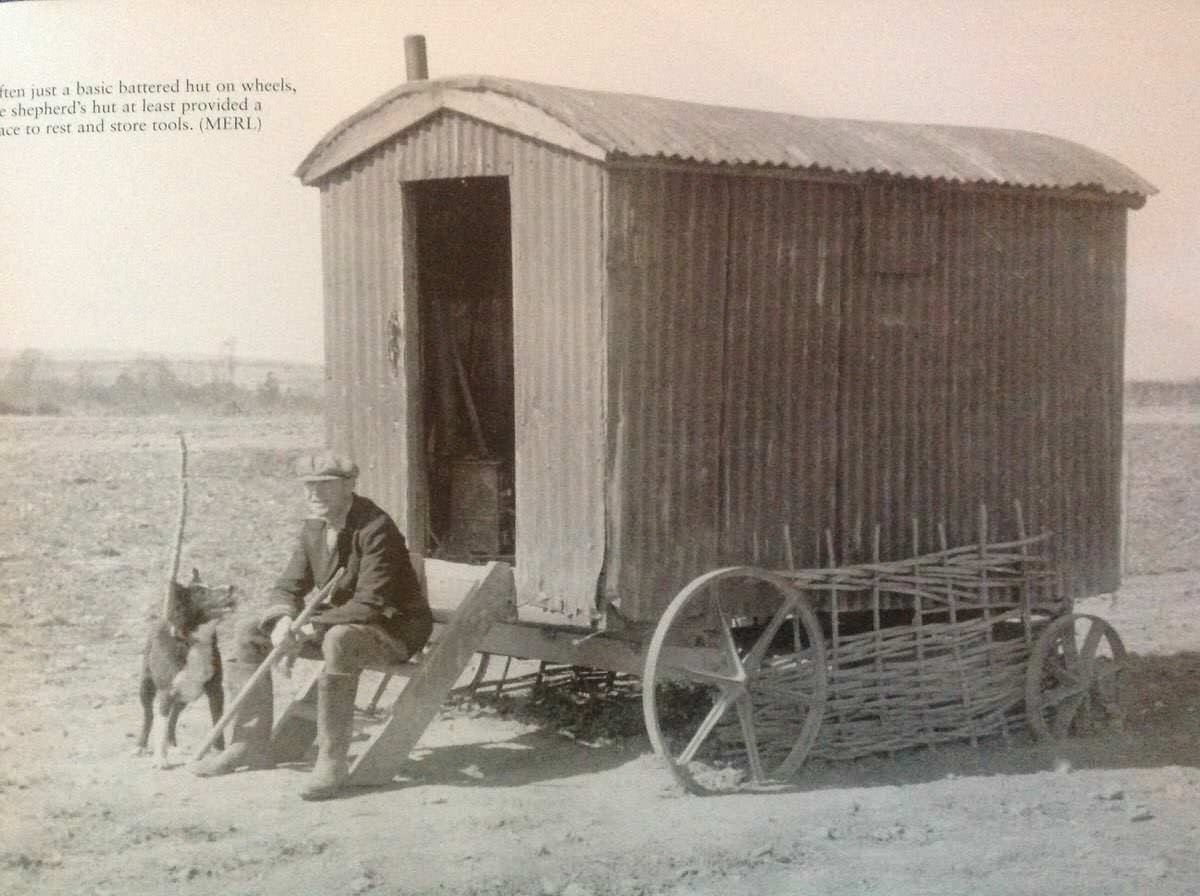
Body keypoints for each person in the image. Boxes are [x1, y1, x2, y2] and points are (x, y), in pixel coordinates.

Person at [190, 451, 433, 800]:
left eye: (325, 486)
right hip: (341, 625)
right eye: (309, 486)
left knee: (338, 640)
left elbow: (371, 603)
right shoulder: (314, 526)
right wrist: (283, 620)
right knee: (248, 632)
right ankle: (247, 744)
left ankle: (331, 760)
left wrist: (310, 629)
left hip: (393, 629)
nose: (314, 494)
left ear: (349, 486)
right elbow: (289, 585)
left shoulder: (376, 527)